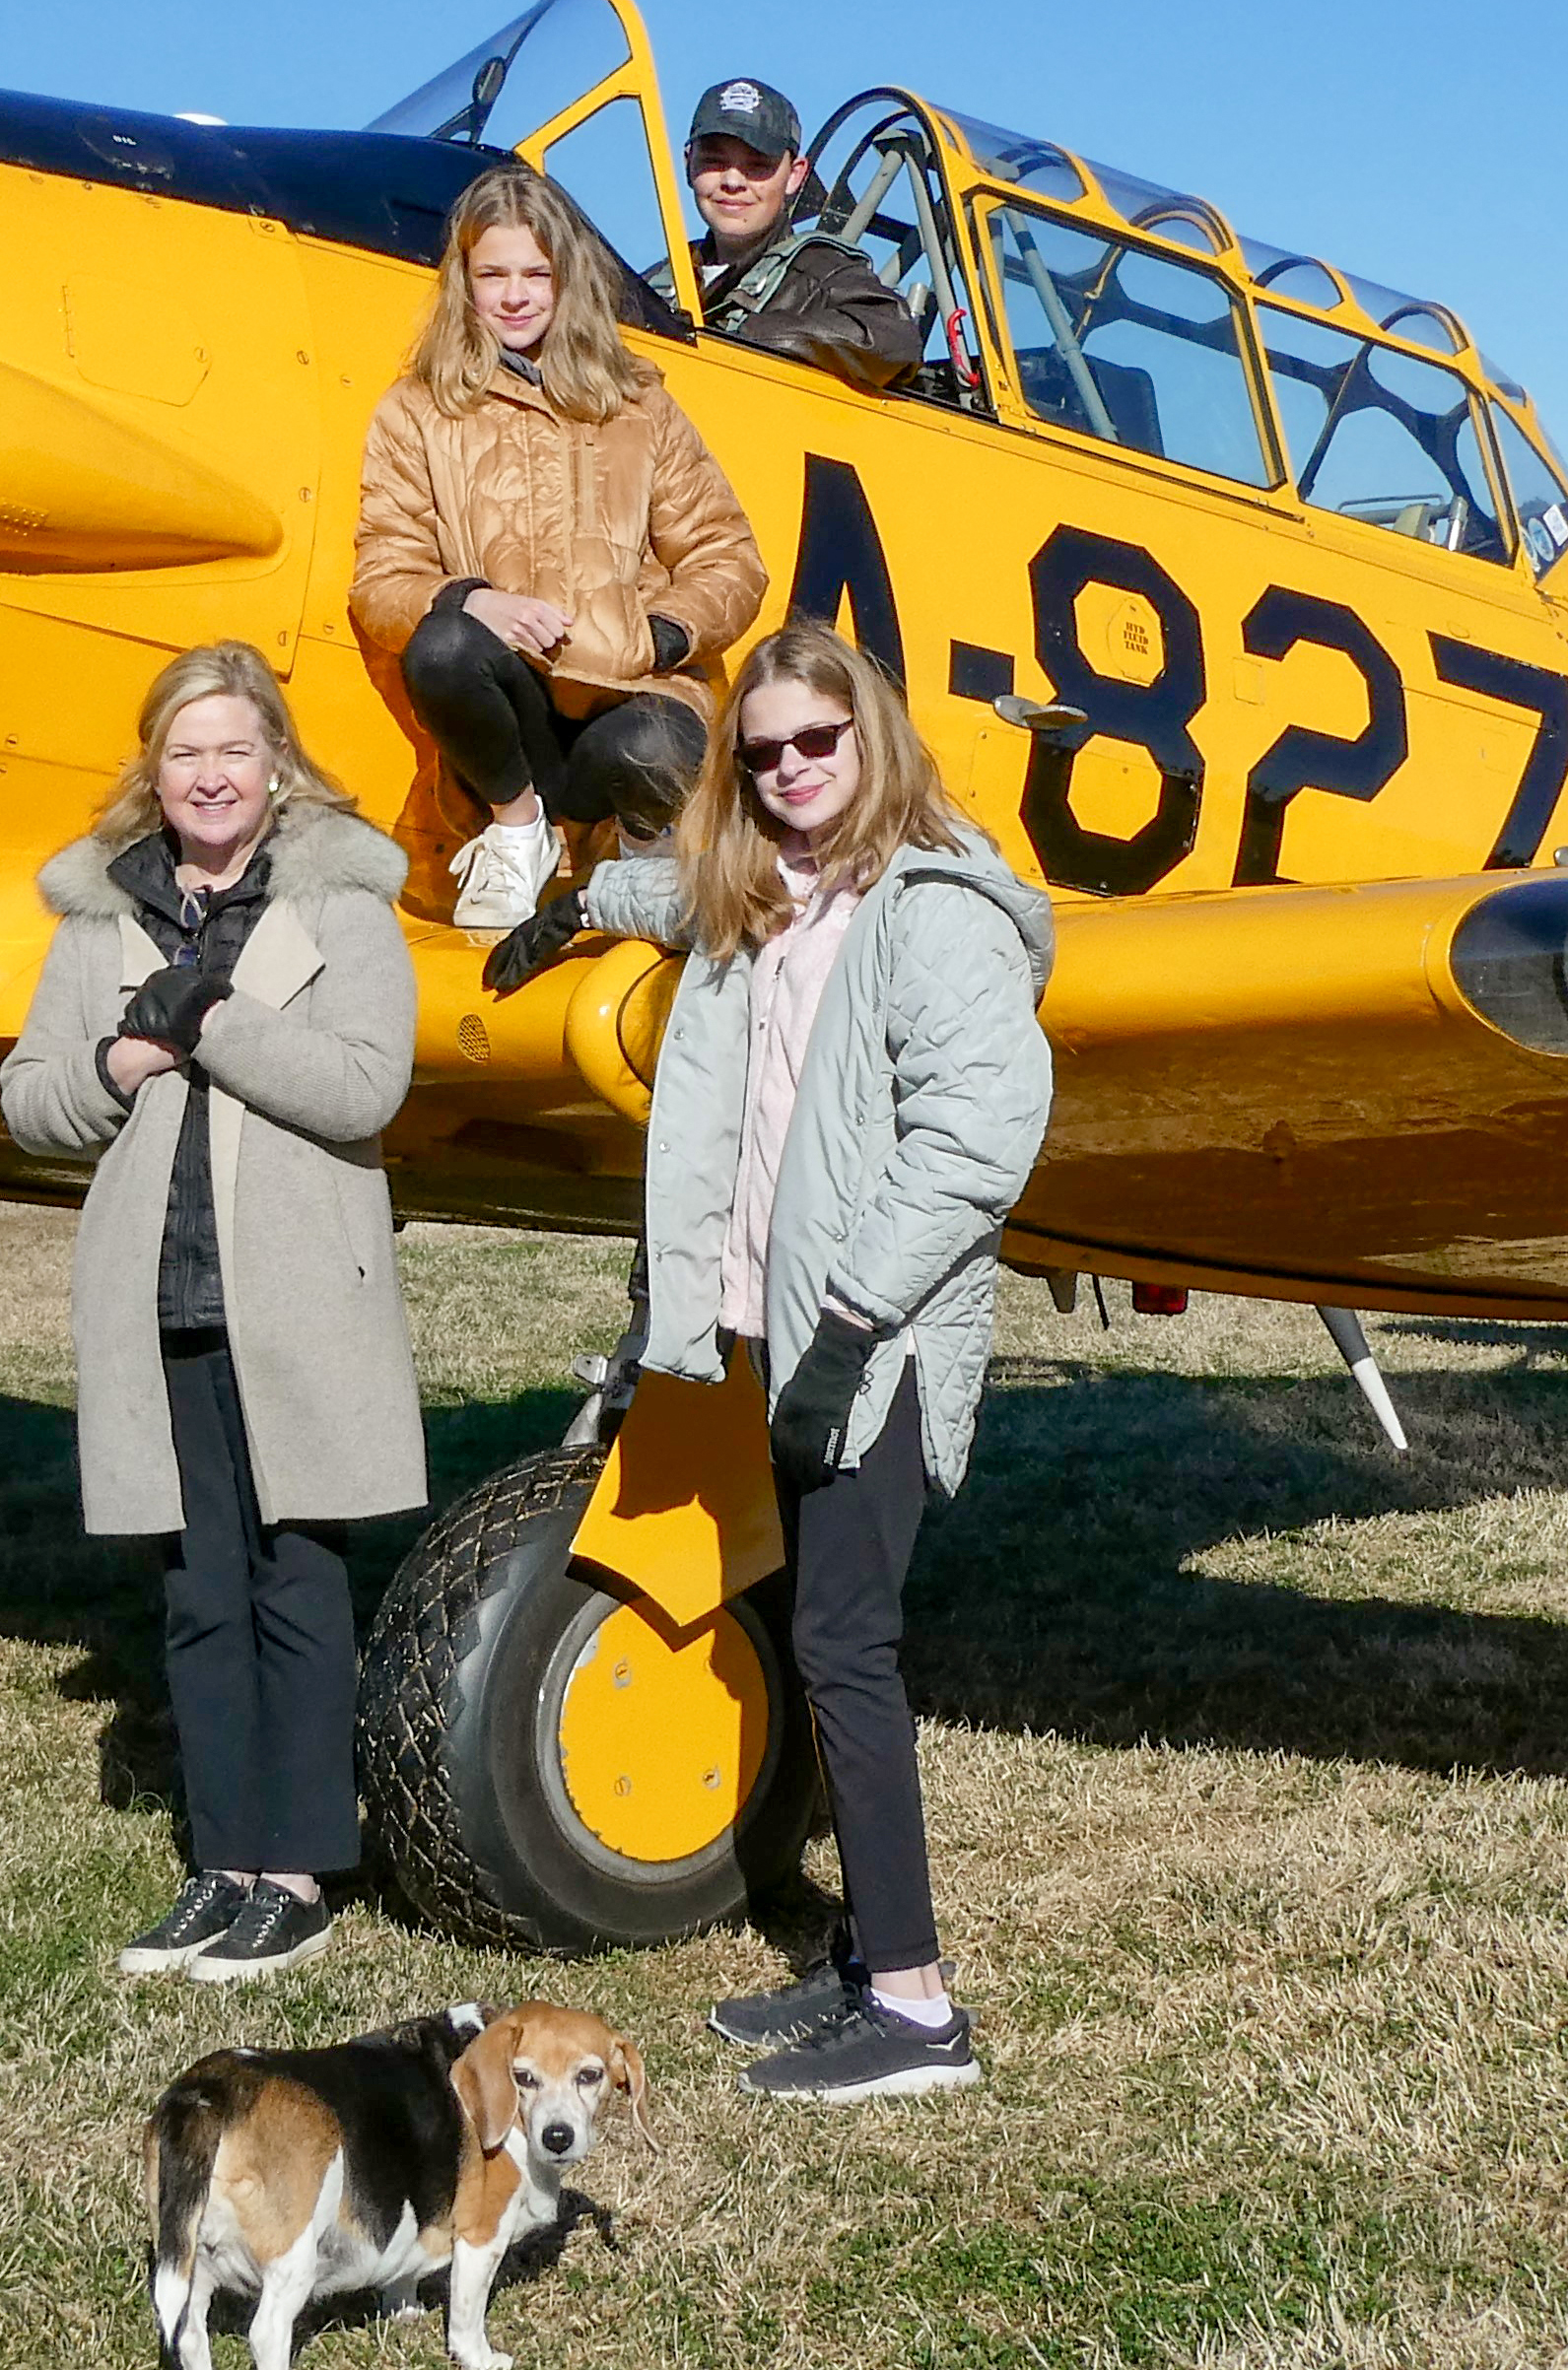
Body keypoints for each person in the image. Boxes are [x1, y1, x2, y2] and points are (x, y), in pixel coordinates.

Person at [570, 619, 1053, 2101]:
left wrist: (849, 1329)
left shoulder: (935, 908)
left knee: (848, 1647)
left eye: (817, 742)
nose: (789, 771)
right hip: (767, 1331)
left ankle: (916, 2012)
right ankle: (859, 1961)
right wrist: (573, 900)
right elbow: (681, 888)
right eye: (759, 751)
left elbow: (979, 1143)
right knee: (809, 1627)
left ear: (874, 737)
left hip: (875, 1340)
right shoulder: (762, 893)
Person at [0, 641, 425, 1986]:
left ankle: (298, 1870)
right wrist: (122, 1058)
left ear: (277, 763)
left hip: (293, 1297)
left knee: (297, 1578)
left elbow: (367, 1088)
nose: (210, 776)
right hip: (158, 1293)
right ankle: (222, 1863)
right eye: (185, 752)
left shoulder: (342, 907)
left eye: (235, 749)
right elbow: (28, 1097)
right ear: (155, 770)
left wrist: (215, 1021)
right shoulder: (98, 920)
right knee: (195, 1591)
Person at [352, 159, 768, 930]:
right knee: (442, 647)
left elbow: (727, 555)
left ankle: (646, 858)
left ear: (565, 279)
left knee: (650, 743)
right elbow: (382, 576)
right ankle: (516, 831)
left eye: (536, 274)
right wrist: (474, 601)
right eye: (493, 274)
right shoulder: (416, 409)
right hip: (514, 720)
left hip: (632, 695)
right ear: (463, 282)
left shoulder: (638, 402)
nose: (515, 296)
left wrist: (661, 634)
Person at [676, 77, 922, 394]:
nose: (733, 181)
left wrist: (745, 338)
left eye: (757, 165)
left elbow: (894, 338)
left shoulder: (821, 272)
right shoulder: (662, 282)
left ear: (795, 175)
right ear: (688, 163)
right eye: (714, 162)